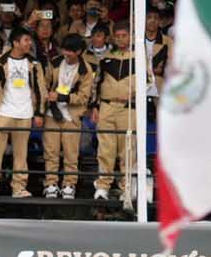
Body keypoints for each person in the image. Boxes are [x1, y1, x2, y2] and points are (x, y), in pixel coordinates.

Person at [0, 29, 46, 197]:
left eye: (30, 40)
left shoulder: (34, 63)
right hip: (2, 113)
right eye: (26, 40)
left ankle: (19, 187)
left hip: (25, 114)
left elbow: (41, 89)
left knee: (21, 155)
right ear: (16, 43)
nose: (29, 43)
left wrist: (39, 113)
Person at [42, 32, 95, 200]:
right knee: (51, 152)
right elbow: (44, 84)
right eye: (64, 50)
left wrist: (62, 97)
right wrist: (47, 98)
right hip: (52, 114)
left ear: (78, 51)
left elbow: (84, 97)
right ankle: (51, 184)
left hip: (72, 116)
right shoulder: (55, 62)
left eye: (70, 51)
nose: (66, 54)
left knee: (71, 154)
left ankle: (69, 185)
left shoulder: (86, 70)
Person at [92, 21, 139, 204]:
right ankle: (103, 186)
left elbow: (150, 82)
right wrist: (94, 106)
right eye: (117, 36)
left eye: (124, 36)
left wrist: (135, 93)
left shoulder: (139, 58)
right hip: (106, 106)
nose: (120, 39)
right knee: (105, 149)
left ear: (131, 36)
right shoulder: (105, 58)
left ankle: (126, 188)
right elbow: (96, 83)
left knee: (127, 149)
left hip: (129, 107)